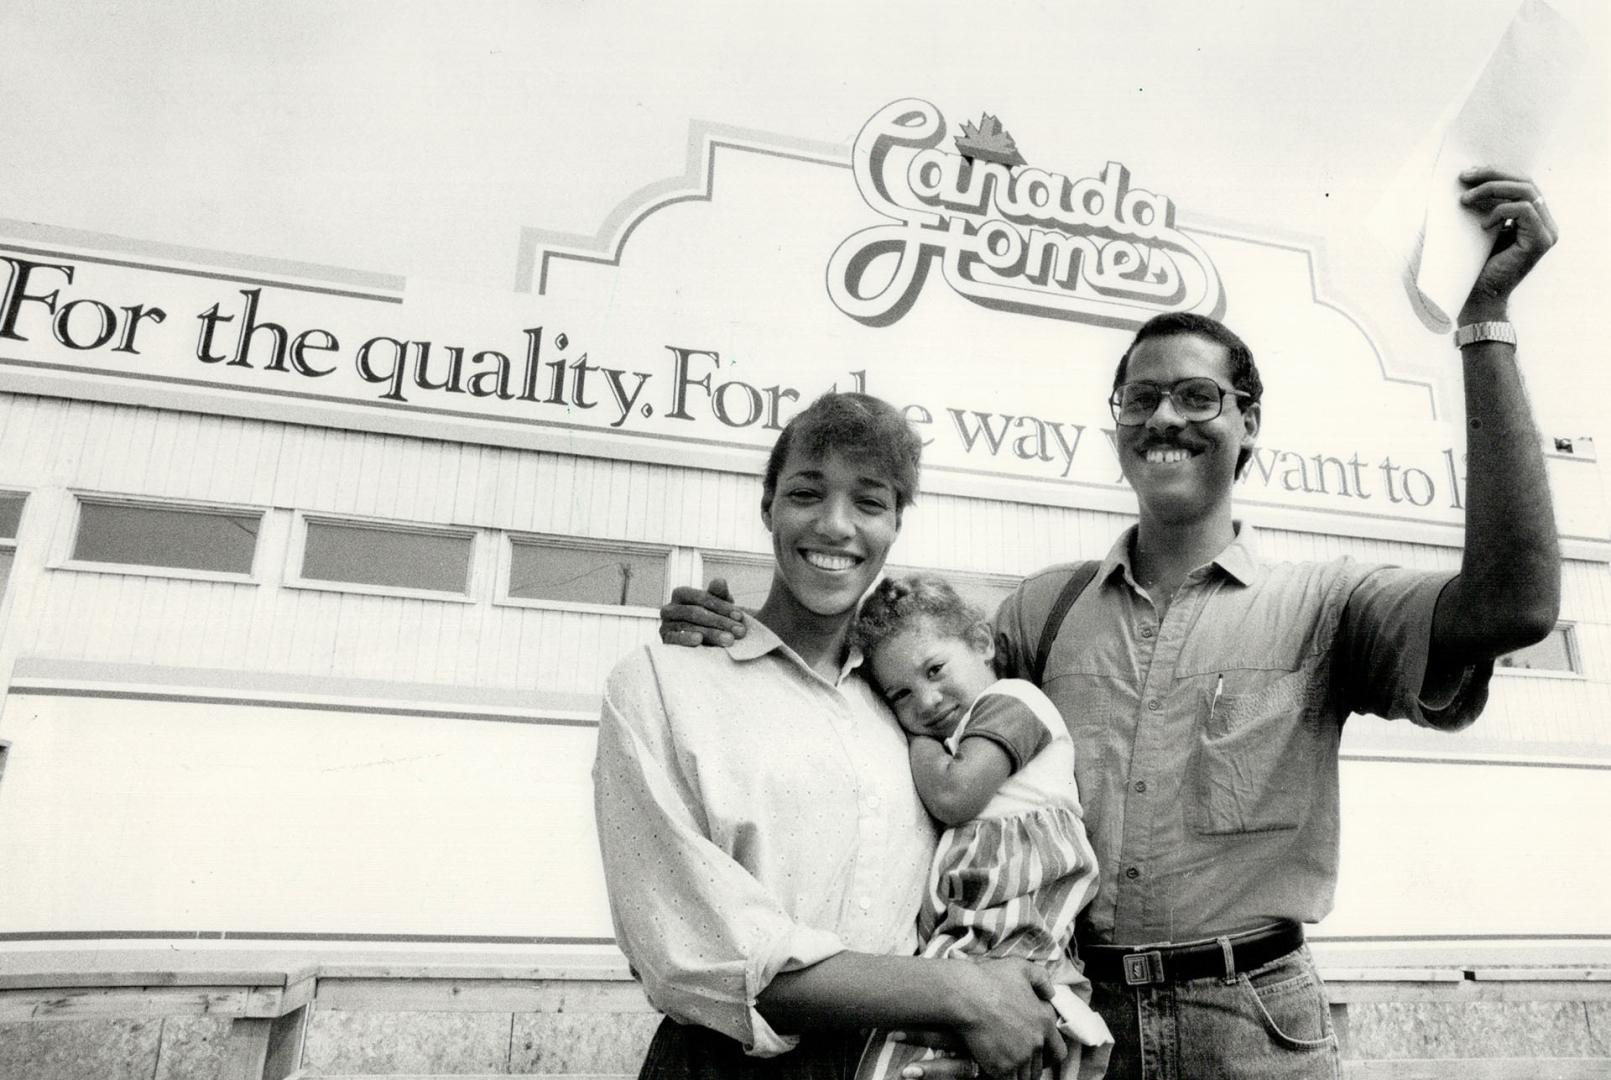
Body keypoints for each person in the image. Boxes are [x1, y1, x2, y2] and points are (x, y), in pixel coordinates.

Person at [656, 168, 1561, 1079]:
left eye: (1197, 397)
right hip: (1072, 1015)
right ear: (1118, 425)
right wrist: (747, 632)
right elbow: (873, 681)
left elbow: (1515, 606)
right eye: (1140, 398)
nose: (1165, 415)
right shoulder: (1040, 611)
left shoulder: (1326, 605)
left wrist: (1484, 322)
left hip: (1250, 1025)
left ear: (1249, 426)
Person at [594, 391, 1069, 1080]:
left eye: (868, 503)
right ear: (768, 506)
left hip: (905, 1059)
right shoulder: (665, 682)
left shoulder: (904, 705)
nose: (834, 525)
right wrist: (961, 994)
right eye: (806, 494)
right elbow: (692, 951)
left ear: (895, 524)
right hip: (725, 1064)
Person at [849, 575, 1112, 1080]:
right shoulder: (960, 731)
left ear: (981, 643)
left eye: (935, 669)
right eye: (900, 694)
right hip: (986, 922)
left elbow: (954, 795)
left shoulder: (1013, 700)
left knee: (902, 1054)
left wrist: (915, 739)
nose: (926, 702)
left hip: (1015, 907)